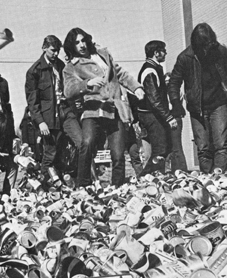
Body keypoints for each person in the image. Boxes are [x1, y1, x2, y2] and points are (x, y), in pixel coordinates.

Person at [63, 27, 144, 188]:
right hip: (93, 110)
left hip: (115, 109)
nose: (81, 45)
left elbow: (120, 73)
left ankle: (117, 188)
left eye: (83, 40)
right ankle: (83, 184)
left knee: (118, 153)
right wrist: (87, 84)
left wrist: (136, 87)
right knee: (87, 142)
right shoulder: (71, 67)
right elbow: (68, 90)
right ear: (72, 47)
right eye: (77, 43)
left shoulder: (103, 55)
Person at [168, 23, 227, 173]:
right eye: (204, 46)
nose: (207, 49)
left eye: (210, 45)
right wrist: (175, 102)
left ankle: (219, 181)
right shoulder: (185, 58)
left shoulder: (220, 51)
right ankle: (207, 182)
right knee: (203, 148)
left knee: (221, 145)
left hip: (219, 104)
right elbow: (174, 82)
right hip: (197, 108)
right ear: (197, 44)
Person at [25, 35, 82, 180]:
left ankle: (84, 181)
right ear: (44, 48)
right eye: (52, 50)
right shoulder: (34, 71)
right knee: (50, 152)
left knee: (82, 143)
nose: (56, 54)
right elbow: (32, 102)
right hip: (48, 117)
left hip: (66, 111)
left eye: (57, 51)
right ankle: (47, 185)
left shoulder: (61, 66)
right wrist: (40, 122)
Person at [137, 40, 177, 176]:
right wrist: (168, 117)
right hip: (151, 114)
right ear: (156, 53)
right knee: (160, 149)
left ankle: (154, 177)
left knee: (163, 149)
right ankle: (146, 178)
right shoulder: (149, 70)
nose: (165, 53)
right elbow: (154, 99)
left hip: (153, 114)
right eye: (163, 50)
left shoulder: (154, 68)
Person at [164, 72, 188, 173]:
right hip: (172, 118)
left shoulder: (173, 92)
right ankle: (175, 170)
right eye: (165, 81)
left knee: (176, 146)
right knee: (172, 147)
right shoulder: (175, 91)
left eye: (169, 81)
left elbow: (170, 106)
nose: (167, 83)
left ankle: (182, 169)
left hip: (174, 118)